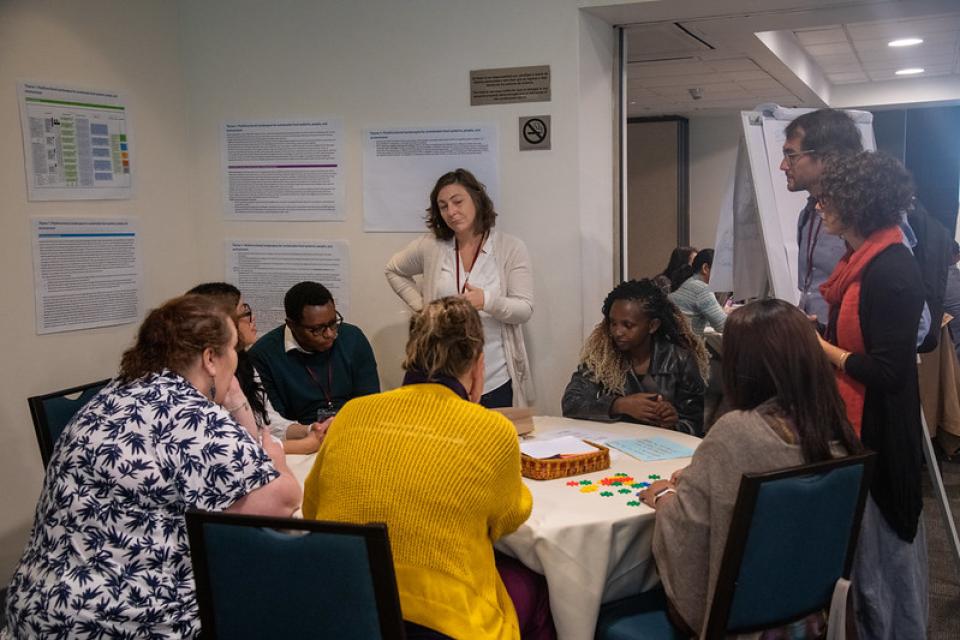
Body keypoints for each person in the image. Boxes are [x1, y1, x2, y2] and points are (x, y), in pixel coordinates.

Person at [4, 295, 301, 638]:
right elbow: (280, 502)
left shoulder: (111, 396)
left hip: (36, 608)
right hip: (129, 622)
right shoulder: (191, 417)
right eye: (233, 350)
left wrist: (231, 396)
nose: (237, 359)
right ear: (210, 358)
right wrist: (275, 456)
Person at [302, 297, 554, 640]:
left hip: (342, 607)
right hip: (440, 624)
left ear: (410, 355)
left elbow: (312, 509)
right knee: (539, 586)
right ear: (478, 364)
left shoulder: (352, 413)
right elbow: (506, 519)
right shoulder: (492, 430)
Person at [640, 299, 863, 637]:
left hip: (735, 625)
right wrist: (703, 477)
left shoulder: (736, 433)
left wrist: (665, 497)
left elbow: (687, 530)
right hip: (809, 617)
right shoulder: (835, 428)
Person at [814, 151, 928, 638]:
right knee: (866, 570)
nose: (819, 206)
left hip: (882, 440)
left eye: (828, 198)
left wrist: (823, 350)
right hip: (861, 430)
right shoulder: (858, 265)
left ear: (857, 203)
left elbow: (887, 371)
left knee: (884, 572)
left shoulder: (891, 268)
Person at [782, 108, 941, 348]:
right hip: (825, 359)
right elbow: (814, 293)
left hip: (860, 374)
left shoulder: (871, 220)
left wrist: (848, 358)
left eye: (791, 155)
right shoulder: (810, 215)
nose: (783, 166)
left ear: (827, 156)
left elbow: (915, 325)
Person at [385, 168, 534, 408]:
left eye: (457, 202)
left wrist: (486, 301)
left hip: (494, 376)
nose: (451, 212)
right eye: (443, 206)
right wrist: (424, 310)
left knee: (492, 443)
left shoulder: (510, 248)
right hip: (442, 379)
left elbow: (524, 309)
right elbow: (393, 270)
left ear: (476, 199)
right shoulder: (432, 246)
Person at [188, 282, 328, 454]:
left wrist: (309, 430)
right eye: (245, 312)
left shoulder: (245, 362)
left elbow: (266, 423)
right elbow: (228, 446)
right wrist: (304, 445)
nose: (252, 318)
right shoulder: (200, 376)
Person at [561, 279, 708, 436]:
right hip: (613, 444)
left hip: (658, 450)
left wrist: (671, 424)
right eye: (613, 323)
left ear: (653, 326)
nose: (617, 332)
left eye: (628, 325)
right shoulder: (602, 357)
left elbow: (694, 425)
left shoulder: (679, 360)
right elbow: (571, 403)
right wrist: (619, 405)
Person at [248, 281, 380, 425]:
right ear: (291, 325)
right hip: (299, 439)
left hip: (353, 429)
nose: (330, 334)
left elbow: (369, 403)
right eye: (317, 329)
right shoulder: (263, 355)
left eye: (333, 323)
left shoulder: (353, 338)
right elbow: (275, 422)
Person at [668, 248, 727, 335]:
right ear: (705, 268)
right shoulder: (702, 288)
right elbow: (723, 326)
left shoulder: (690, 282)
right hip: (686, 346)